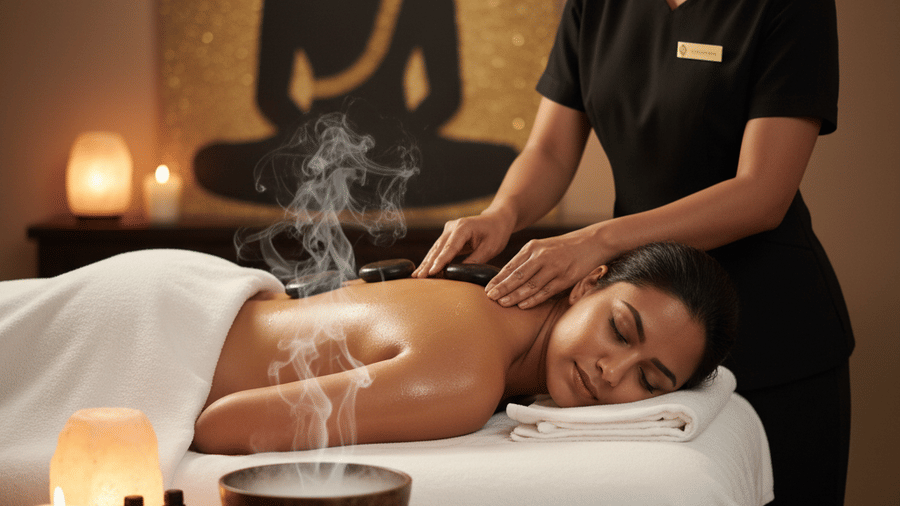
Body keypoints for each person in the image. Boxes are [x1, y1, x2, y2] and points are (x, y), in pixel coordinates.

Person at [412, 0, 853, 504]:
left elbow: (764, 192)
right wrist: (503, 214)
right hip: (634, 332)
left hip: (772, 335)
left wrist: (601, 239)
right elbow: (551, 150)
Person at [191, 241, 738, 454]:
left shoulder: (478, 303)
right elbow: (219, 426)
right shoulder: (468, 378)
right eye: (620, 330)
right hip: (170, 328)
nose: (612, 371)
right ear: (586, 285)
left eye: (649, 381)